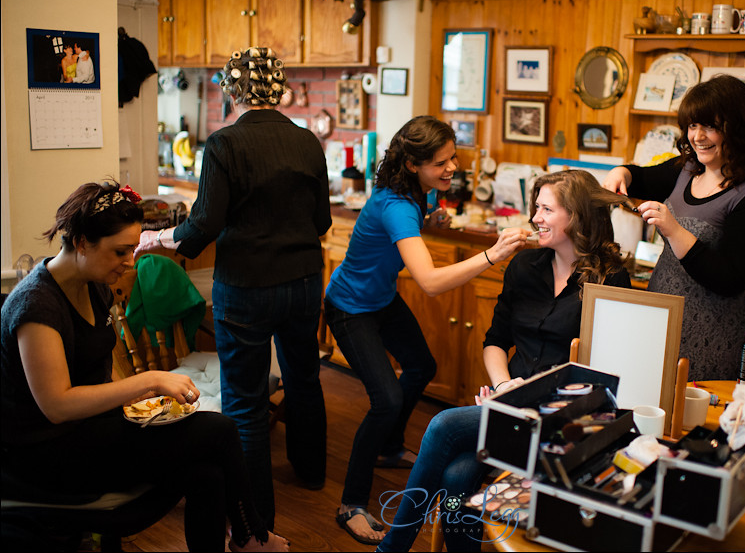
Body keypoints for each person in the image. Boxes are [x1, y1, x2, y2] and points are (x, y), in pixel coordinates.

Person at [0, 181, 288, 552]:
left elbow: (100, 370)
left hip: (86, 433)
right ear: (83, 242)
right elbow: (57, 406)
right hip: (42, 457)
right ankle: (252, 536)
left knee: (208, 475)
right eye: (120, 251)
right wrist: (148, 380)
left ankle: (247, 537)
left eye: (131, 250)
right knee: (219, 430)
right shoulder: (37, 306)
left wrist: (140, 399)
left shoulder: (94, 284)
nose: (129, 262)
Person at [376, 170, 632, 552]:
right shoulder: (523, 267)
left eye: (546, 209)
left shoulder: (610, 280)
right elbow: (495, 342)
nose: (535, 219)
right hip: (510, 405)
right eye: (536, 208)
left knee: (444, 424)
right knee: (457, 476)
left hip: (564, 418)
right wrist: (504, 387)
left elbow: (605, 372)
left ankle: (393, 547)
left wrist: (520, 399)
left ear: (576, 216)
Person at [134, 46, 332, 529]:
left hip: (248, 287)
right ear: (276, 87)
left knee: (244, 402)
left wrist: (155, 237)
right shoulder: (308, 142)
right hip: (305, 282)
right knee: (304, 379)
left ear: (231, 90)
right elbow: (323, 221)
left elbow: (200, 228)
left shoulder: (224, 145)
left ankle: (254, 518)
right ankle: (312, 475)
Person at [324, 116, 529, 546]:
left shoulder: (413, 193)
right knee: (386, 400)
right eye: (441, 162)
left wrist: (430, 214)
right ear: (414, 164)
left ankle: (389, 446)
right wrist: (493, 254)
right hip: (349, 307)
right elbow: (431, 283)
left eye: (453, 157)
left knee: (421, 366)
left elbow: (405, 229)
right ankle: (351, 504)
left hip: (379, 300)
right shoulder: (397, 204)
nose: (452, 167)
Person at [602, 74, 745, 381]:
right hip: (664, 322)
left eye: (710, 126)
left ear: (738, 128)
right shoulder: (686, 169)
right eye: (693, 125)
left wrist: (674, 230)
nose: (698, 136)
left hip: (717, 334)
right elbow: (639, 176)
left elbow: (731, 279)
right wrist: (622, 173)